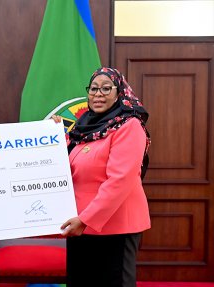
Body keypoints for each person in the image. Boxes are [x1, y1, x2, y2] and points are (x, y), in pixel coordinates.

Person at [53, 67, 151, 287]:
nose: (98, 94)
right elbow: (65, 167)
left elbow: (120, 180)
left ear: (120, 93)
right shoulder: (83, 127)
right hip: (79, 225)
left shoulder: (129, 126)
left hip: (115, 226)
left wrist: (86, 219)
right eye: (94, 89)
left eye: (106, 88)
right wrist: (54, 137)